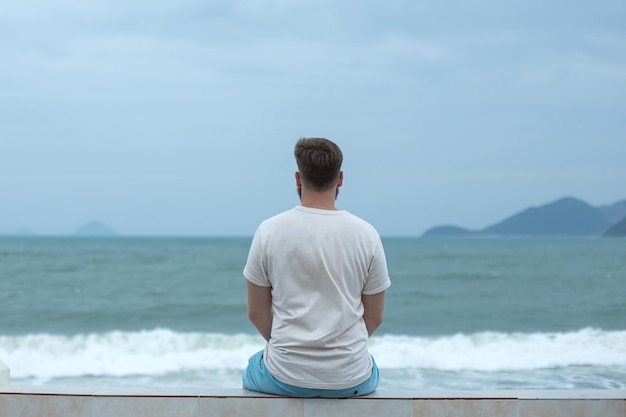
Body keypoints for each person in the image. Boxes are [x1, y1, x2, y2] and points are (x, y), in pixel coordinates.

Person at [241, 137, 391, 398]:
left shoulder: (269, 231)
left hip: (285, 373)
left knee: (252, 369)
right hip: (350, 377)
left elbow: (257, 313)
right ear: (340, 179)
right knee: (370, 367)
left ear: (298, 179)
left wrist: (290, 350)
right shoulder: (367, 234)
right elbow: (375, 317)